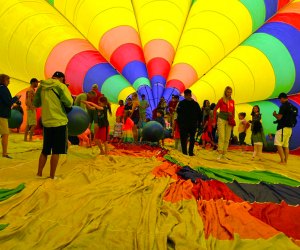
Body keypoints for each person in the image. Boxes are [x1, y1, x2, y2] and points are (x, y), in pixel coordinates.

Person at [33, 71, 73, 179]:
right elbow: (69, 103)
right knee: (56, 150)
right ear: (61, 79)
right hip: (59, 121)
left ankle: (39, 173)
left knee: (45, 150)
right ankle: (52, 176)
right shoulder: (61, 86)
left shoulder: (42, 86)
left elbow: (36, 103)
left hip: (46, 122)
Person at [0, 74, 21, 158]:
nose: (9, 82)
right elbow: (8, 102)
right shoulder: (3, 88)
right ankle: (4, 153)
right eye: (8, 80)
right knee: (5, 134)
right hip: (2, 114)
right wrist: (16, 98)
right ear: (3, 80)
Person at [177, 89, 201, 156]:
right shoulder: (182, 103)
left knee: (190, 138)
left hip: (190, 124)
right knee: (185, 138)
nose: (187, 96)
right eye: (186, 95)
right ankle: (186, 152)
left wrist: (199, 123)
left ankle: (189, 152)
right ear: (185, 95)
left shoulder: (194, 104)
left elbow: (199, 114)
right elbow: (178, 113)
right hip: (186, 124)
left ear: (190, 95)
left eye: (188, 95)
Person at [213, 86, 235, 160]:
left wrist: (233, 121)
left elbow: (233, 112)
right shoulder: (221, 100)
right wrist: (214, 120)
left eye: (230, 92)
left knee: (227, 138)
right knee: (222, 137)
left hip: (229, 120)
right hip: (221, 119)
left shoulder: (232, 101)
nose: (229, 93)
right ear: (225, 92)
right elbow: (215, 110)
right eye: (228, 92)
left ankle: (224, 154)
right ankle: (219, 153)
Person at [273, 92, 294, 164]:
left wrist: (275, 115)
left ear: (282, 98)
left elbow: (279, 117)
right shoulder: (291, 105)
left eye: (280, 99)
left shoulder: (283, 106)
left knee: (278, 144)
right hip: (290, 128)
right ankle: (285, 161)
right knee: (286, 145)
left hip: (282, 128)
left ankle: (282, 160)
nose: (280, 101)